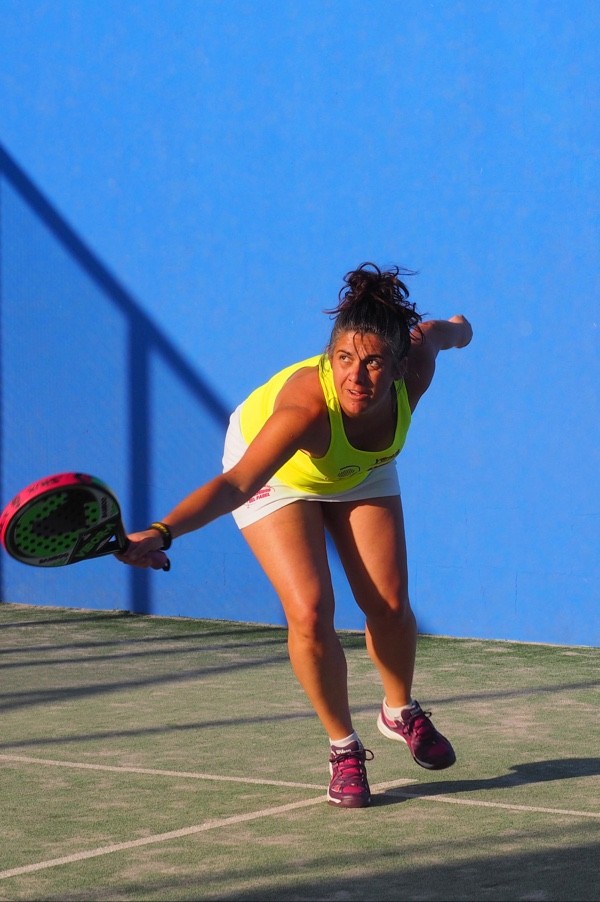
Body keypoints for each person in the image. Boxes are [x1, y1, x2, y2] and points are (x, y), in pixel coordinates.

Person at [117, 262, 473, 809]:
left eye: (373, 361)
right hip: (276, 472)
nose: (356, 376)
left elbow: (446, 331)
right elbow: (236, 484)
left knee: (389, 604)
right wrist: (163, 531)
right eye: (344, 358)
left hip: (361, 467)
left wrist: (459, 329)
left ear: (400, 366)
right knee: (309, 609)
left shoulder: (418, 360)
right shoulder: (306, 407)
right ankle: (343, 748)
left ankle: (398, 710)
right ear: (330, 359)